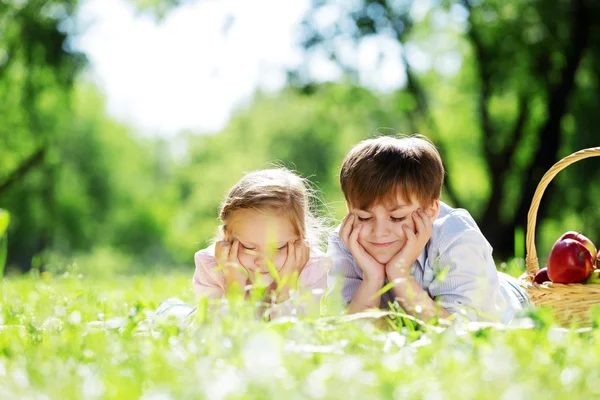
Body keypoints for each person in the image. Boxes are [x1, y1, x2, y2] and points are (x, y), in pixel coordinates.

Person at [327, 135, 529, 323]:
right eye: (365, 217)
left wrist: (399, 274)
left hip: (508, 304)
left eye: (397, 217)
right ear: (349, 209)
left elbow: (460, 330)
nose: (379, 232)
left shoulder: (456, 236)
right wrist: (373, 277)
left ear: (430, 211)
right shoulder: (347, 238)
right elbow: (351, 328)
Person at [154, 168, 330, 321]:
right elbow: (211, 338)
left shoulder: (311, 267)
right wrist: (234, 292)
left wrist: (286, 292)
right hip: (190, 320)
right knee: (175, 318)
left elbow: (298, 336)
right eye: (249, 247)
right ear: (227, 239)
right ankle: (170, 309)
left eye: (277, 248)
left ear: (301, 241)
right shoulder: (212, 264)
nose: (263, 260)